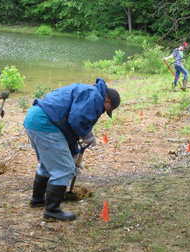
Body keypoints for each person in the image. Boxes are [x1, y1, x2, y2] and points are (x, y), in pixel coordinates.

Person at [23, 78, 120, 221]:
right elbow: (76, 121)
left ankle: (37, 199)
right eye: (106, 110)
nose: (103, 113)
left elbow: (69, 131)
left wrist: (74, 155)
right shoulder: (94, 96)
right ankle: (52, 211)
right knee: (63, 170)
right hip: (46, 124)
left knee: (46, 165)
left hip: (34, 119)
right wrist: (87, 134)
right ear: (108, 101)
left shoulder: (88, 92)